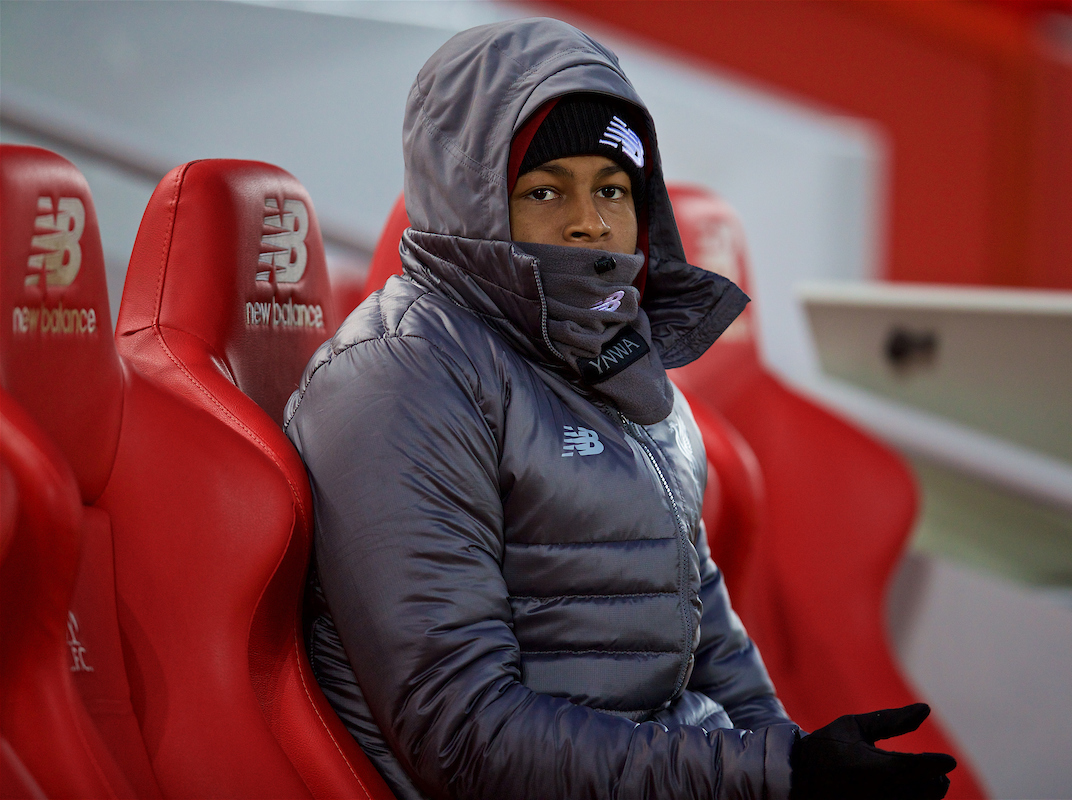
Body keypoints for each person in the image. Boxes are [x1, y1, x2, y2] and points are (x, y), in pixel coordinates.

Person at [284, 17, 956, 800]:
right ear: (468, 201)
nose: (589, 223)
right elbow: (466, 739)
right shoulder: (398, 379)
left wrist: (795, 767)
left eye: (612, 188)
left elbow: (714, 653)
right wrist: (775, 776)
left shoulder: (625, 367)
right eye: (544, 191)